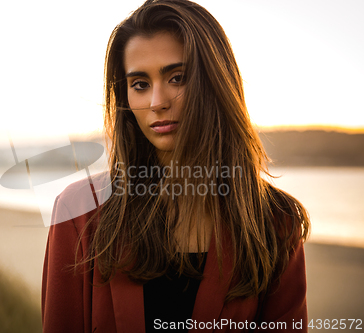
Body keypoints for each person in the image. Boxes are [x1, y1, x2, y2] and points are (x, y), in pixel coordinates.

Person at [42, 0, 310, 332]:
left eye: (178, 77)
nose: (157, 102)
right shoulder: (78, 211)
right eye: (140, 84)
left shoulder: (275, 221)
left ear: (217, 82)